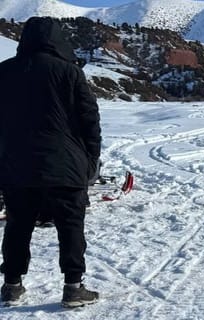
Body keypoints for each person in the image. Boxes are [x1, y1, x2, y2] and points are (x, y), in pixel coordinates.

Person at [0, 17, 101, 308]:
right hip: (65, 164)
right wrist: (90, 159)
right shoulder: (70, 73)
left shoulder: (4, 72)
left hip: (15, 165)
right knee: (70, 226)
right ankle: (73, 287)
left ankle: (12, 285)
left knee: (18, 225)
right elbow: (89, 121)